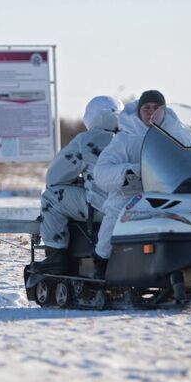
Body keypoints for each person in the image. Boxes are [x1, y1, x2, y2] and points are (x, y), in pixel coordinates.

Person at [32, 96, 122, 274]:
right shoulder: (135, 135)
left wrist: (78, 181)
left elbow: (54, 178)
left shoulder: (88, 140)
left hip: (102, 208)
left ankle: (55, 257)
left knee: (51, 197)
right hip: (134, 206)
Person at [93, 89, 166, 273]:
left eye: (156, 108)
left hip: (165, 196)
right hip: (129, 197)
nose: (151, 112)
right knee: (117, 216)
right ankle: (102, 265)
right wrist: (131, 172)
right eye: (146, 108)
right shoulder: (125, 139)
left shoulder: (175, 137)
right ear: (138, 111)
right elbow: (101, 172)